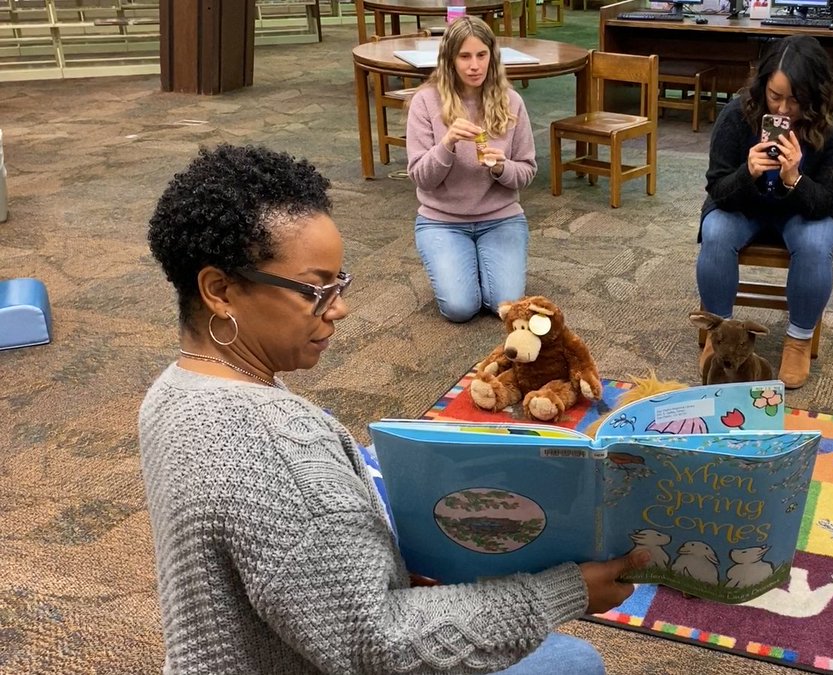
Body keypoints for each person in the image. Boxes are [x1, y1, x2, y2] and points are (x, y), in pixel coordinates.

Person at [141, 144, 645, 674]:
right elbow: (378, 644)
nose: (339, 307)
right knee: (575, 661)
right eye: (315, 289)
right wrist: (565, 592)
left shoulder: (172, 391)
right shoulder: (278, 446)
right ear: (220, 290)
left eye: (339, 284)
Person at [695, 35, 833, 389]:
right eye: (775, 96)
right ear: (763, 86)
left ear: (816, 94)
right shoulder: (738, 114)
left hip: (805, 212)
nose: (783, 109)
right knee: (716, 232)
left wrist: (795, 179)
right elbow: (717, 188)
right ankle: (717, 333)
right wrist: (748, 172)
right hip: (745, 205)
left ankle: (798, 340)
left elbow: (829, 202)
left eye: (796, 99)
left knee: (816, 243)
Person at [406, 16, 537, 323]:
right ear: (450, 60)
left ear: (493, 56)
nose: (474, 66)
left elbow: (528, 170)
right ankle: (462, 261)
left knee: (505, 305)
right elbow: (421, 177)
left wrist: (502, 168)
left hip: (501, 218)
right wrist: (447, 144)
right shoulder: (425, 102)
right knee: (460, 308)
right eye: (464, 56)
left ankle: (475, 261)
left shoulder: (511, 101)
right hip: (442, 222)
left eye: (481, 55)